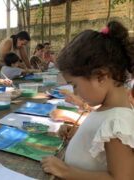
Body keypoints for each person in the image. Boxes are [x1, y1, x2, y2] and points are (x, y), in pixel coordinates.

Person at [41, 21, 134, 179]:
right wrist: (79, 135)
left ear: (100, 76)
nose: (75, 92)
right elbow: (103, 145)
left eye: (75, 85)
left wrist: (66, 171)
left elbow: (122, 178)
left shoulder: (118, 123)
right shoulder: (108, 110)